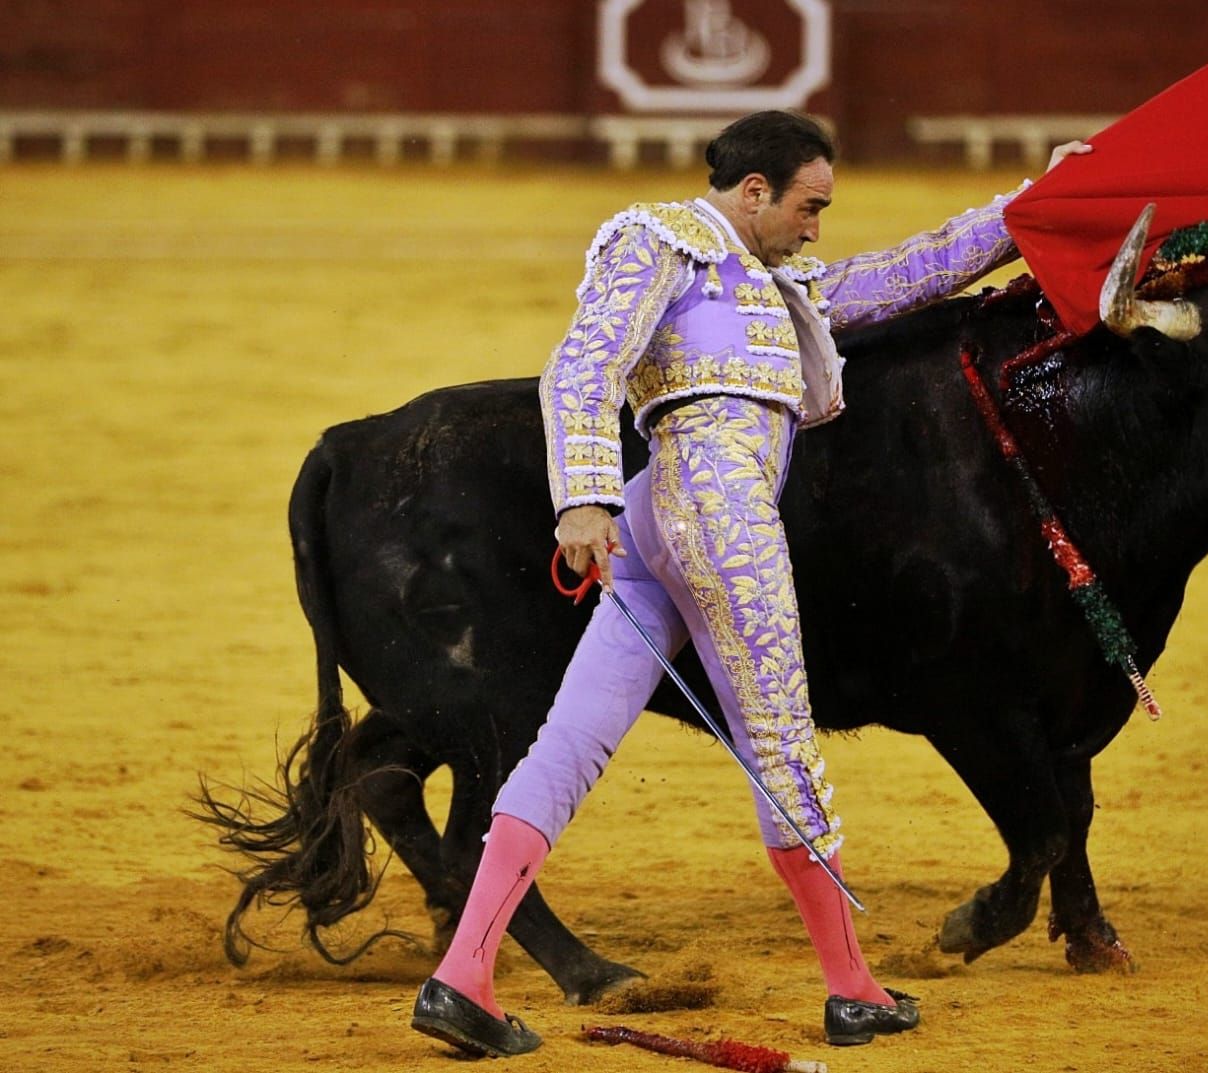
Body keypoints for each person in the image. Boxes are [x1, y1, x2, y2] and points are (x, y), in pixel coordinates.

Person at [410, 110, 1090, 1057]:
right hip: (714, 506)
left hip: (663, 517)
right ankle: (853, 988)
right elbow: (582, 366)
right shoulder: (660, 239)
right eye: (810, 205)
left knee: (569, 741)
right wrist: (581, 498)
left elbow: (919, 269)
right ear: (755, 190)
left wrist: (1035, 201)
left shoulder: (786, 287)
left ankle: (464, 976)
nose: (818, 225)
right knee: (781, 742)